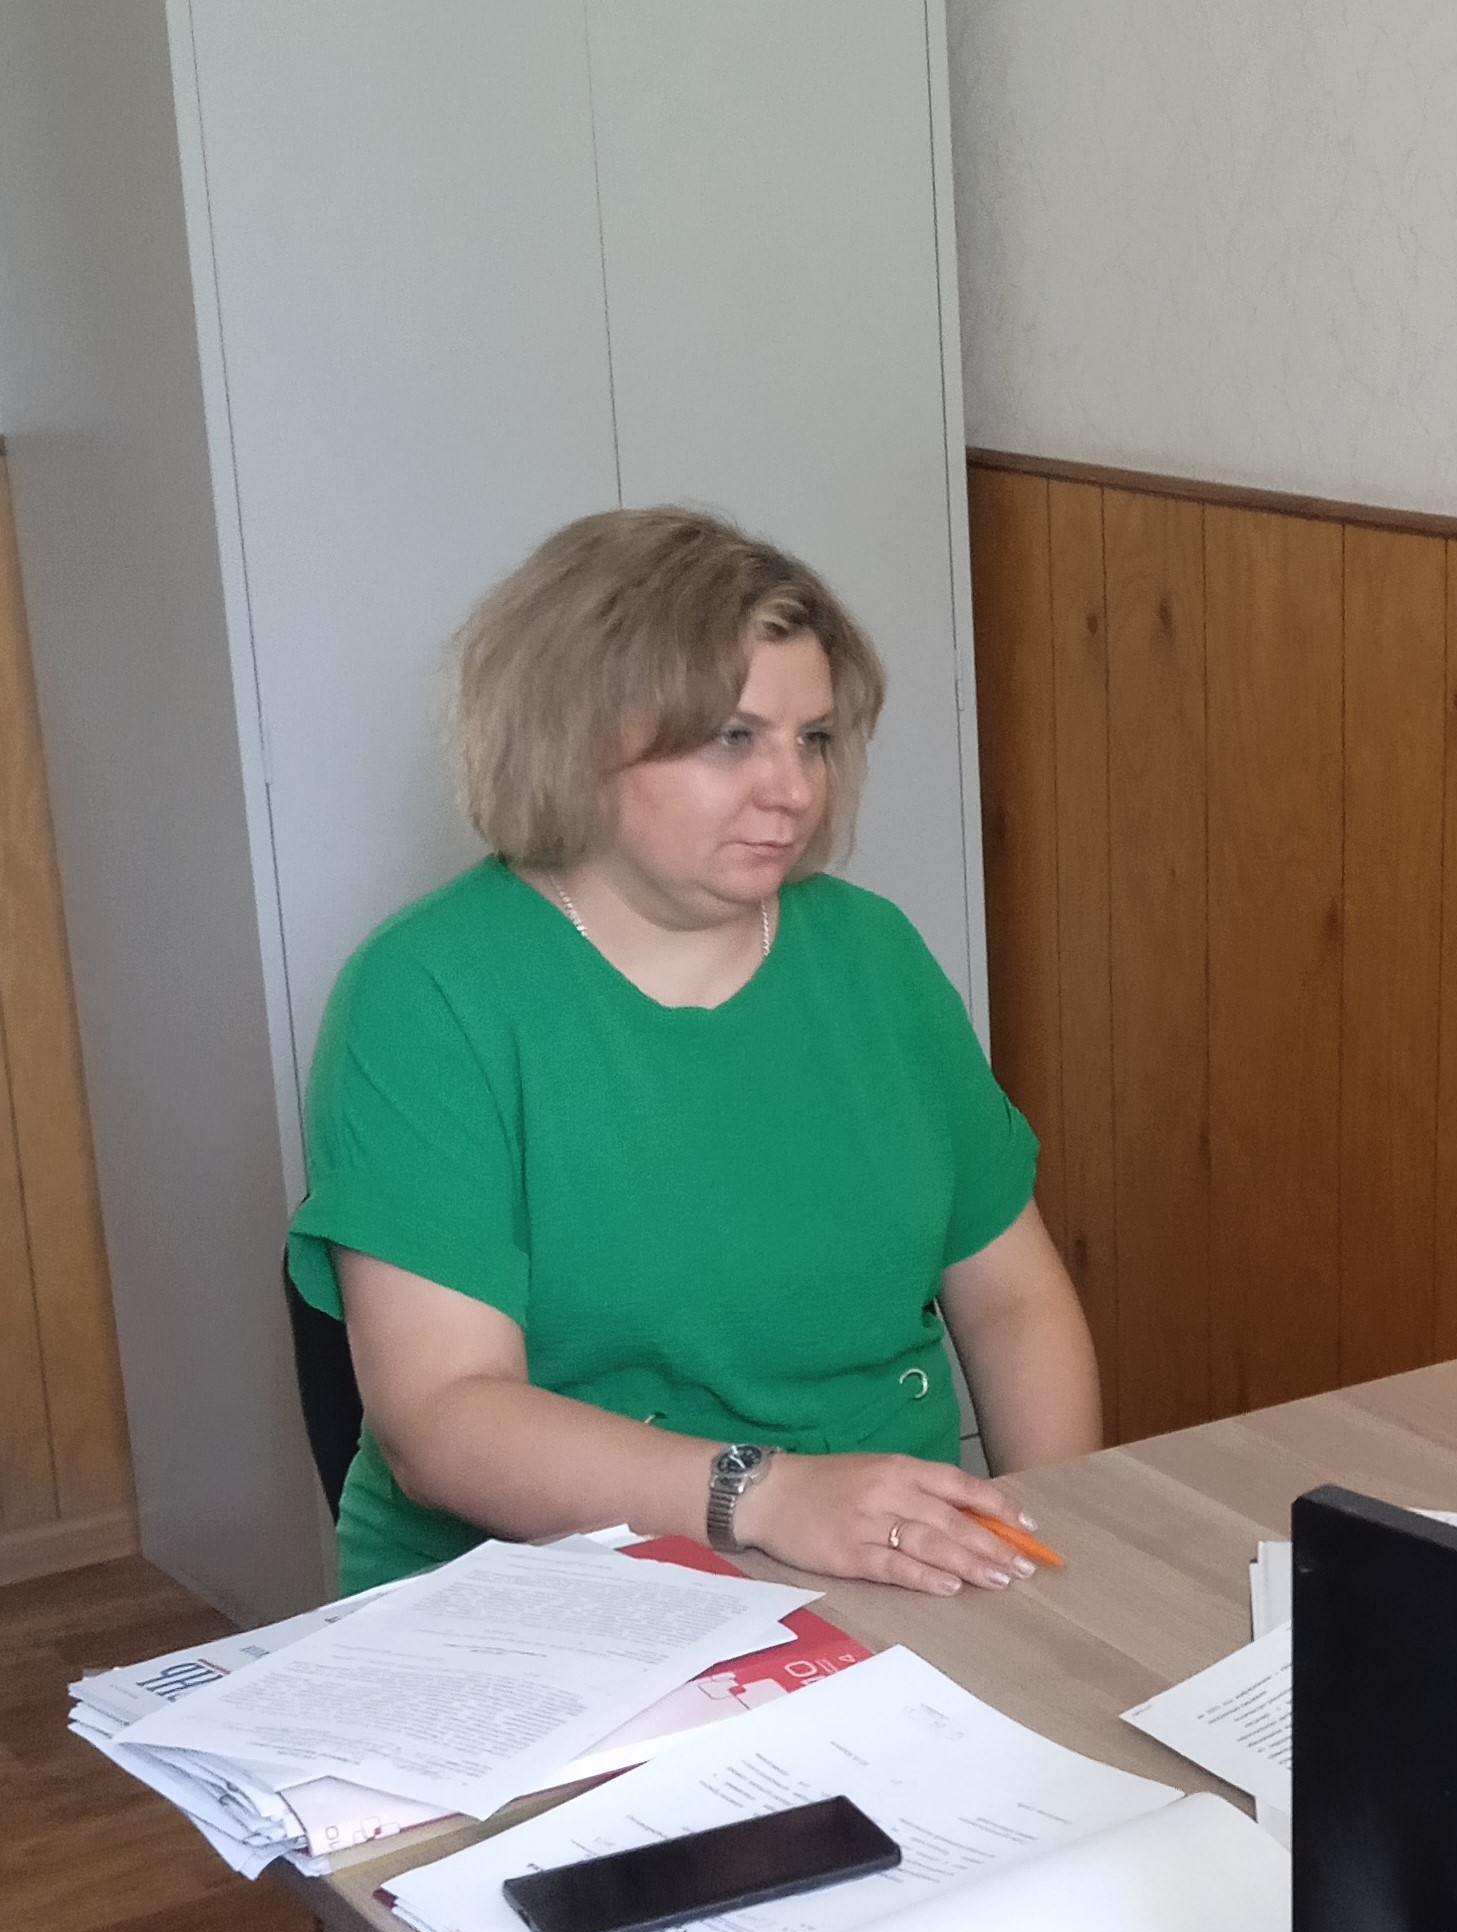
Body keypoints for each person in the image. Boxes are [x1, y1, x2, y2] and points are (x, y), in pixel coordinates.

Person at [287, 508, 1098, 1599]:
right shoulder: (427, 993)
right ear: (576, 736)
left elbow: (1012, 1303)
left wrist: (1046, 1547)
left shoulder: (875, 956)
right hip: (544, 1602)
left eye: (812, 738)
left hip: (885, 1575)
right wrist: (766, 1496)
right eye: (733, 738)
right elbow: (442, 1417)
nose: (792, 788)